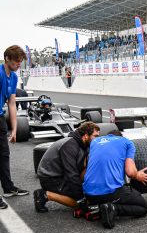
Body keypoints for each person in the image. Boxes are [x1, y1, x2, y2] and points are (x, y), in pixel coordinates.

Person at [83, 131, 147, 229]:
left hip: (88, 193)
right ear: (121, 136)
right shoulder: (127, 142)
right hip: (110, 193)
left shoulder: (95, 142)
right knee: (143, 208)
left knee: (106, 195)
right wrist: (137, 175)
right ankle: (113, 209)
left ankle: (99, 208)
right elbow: (130, 172)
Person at [33, 122, 100, 213]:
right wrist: (81, 199)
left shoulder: (85, 144)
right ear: (85, 136)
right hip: (51, 179)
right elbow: (71, 174)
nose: (98, 139)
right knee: (83, 202)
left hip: (64, 174)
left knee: (90, 192)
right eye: (95, 136)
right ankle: (44, 194)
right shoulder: (69, 146)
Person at [0, 45, 29, 209]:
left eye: (20, 61)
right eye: (17, 61)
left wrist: (15, 130)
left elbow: (12, 104)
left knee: (4, 154)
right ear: (7, 59)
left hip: (0, 118)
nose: (19, 64)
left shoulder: (14, 77)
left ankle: (9, 188)